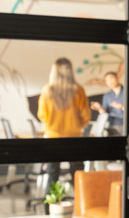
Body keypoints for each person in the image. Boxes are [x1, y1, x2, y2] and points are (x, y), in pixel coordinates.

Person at [37, 57, 91, 186]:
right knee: (77, 173)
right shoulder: (78, 90)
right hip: (74, 137)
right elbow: (86, 116)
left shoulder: (47, 90)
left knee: (52, 172)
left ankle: (51, 204)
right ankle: (79, 204)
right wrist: (78, 125)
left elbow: (42, 115)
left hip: (52, 137)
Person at [90, 71, 124, 135]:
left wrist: (122, 107)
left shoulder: (126, 91)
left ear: (117, 78)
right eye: (107, 80)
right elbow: (104, 113)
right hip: (113, 124)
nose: (110, 81)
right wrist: (99, 108)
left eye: (111, 78)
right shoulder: (107, 96)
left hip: (126, 123)